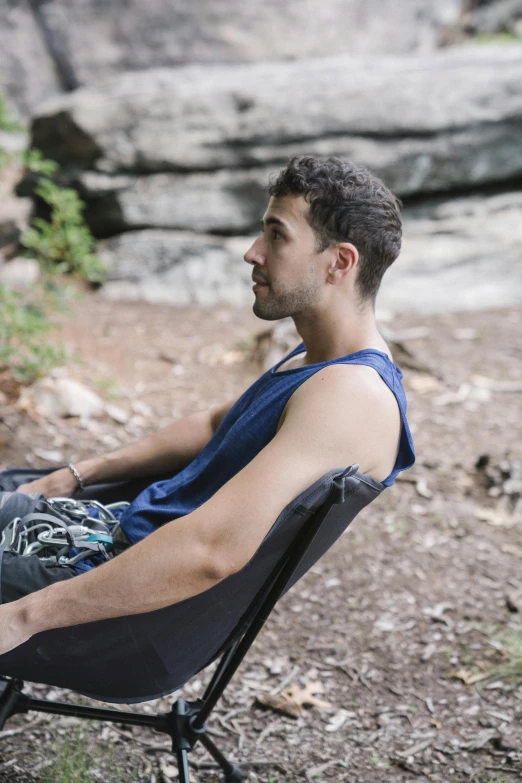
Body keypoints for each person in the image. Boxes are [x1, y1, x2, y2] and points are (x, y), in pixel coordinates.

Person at [0, 155, 415, 655]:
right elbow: (222, 422)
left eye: (277, 236)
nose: (252, 252)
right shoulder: (320, 360)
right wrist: (74, 475)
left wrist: (25, 616)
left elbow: (211, 551)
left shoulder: (351, 397)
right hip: (109, 543)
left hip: (123, 612)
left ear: (340, 262)